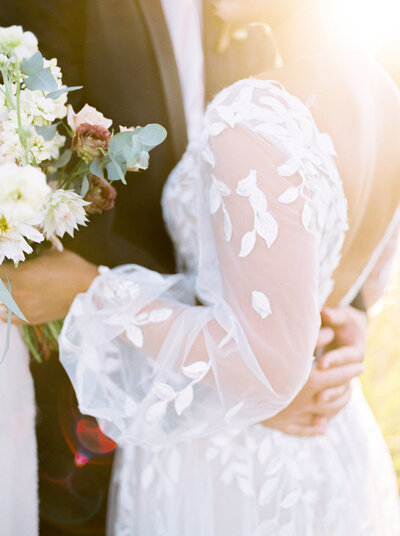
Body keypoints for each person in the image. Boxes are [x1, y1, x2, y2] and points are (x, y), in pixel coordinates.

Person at [0, 0, 375, 534]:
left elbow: (313, 186)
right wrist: (239, 370)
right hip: (99, 397)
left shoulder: (251, 24)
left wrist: (342, 306)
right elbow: (56, 179)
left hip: (246, 417)